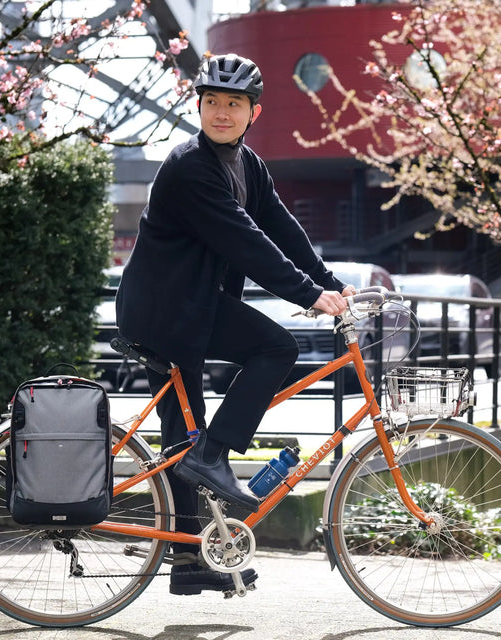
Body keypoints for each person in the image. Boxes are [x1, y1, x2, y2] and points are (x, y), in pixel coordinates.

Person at [115, 53, 355, 596]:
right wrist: (307, 296)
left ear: (254, 113)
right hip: (167, 311)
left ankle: (188, 559)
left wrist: (330, 284)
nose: (221, 112)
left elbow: (282, 229)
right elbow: (246, 243)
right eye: (212, 102)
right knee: (275, 346)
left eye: (234, 104)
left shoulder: (247, 164)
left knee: (182, 437)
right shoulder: (191, 165)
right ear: (197, 106)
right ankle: (214, 455)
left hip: (188, 310)